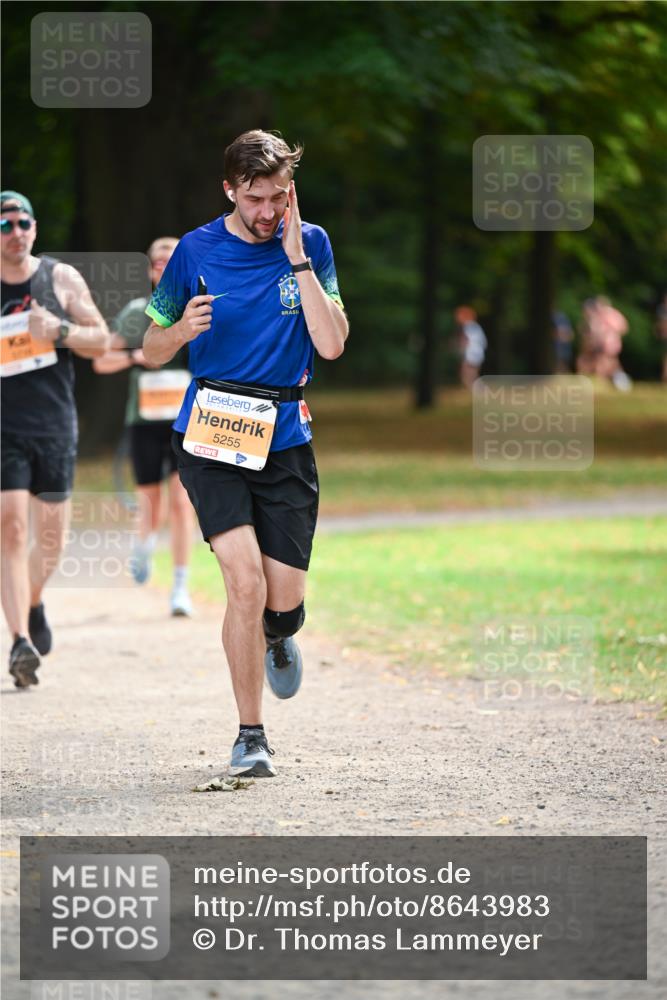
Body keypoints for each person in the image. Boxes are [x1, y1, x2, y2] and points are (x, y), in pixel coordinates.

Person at [143, 130, 348, 778]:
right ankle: (249, 735)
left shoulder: (309, 243)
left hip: (285, 435)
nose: (267, 212)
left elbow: (333, 344)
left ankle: (278, 635)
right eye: (255, 198)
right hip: (211, 431)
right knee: (242, 581)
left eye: (278, 197)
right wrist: (179, 330)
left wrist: (297, 261)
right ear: (229, 189)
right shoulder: (195, 251)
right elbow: (148, 346)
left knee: (280, 604)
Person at [1, 191, 109, 687]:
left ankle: (34, 597)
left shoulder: (59, 278)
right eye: (5, 226)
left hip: (54, 425)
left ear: (35, 228)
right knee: (11, 530)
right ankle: (20, 640)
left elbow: (102, 340)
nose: (15, 232)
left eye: (22, 223)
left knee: (50, 539)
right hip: (5, 430)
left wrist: (59, 329)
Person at [93, 237, 195, 616]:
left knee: (183, 505)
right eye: (157, 261)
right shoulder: (138, 312)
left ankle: (180, 588)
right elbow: (102, 361)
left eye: (171, 261)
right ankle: (144, 545)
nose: (163, 267)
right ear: (150, 269)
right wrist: (138, 356)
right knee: (150, 505)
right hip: (144, 421)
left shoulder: (196, 310)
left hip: (185, 422)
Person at [454, 306, 487, 388]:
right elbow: (484, 342)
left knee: (465, 373)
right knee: (473, 373)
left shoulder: (467, 326)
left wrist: (460, 350)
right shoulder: (476, 326)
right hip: (479, 351)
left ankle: (478, 389)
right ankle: (478, 389)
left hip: (471, 352)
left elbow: (465, 340)